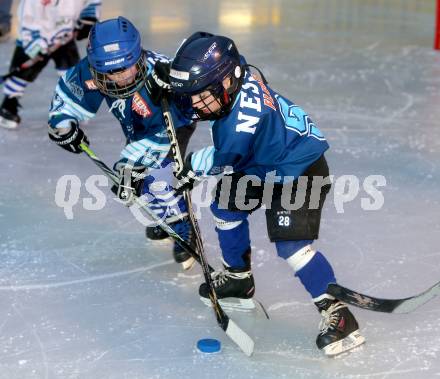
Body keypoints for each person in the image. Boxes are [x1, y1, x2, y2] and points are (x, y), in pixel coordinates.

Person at [167, 31, 365, 356]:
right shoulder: (240, 73)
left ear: (227, 83)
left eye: (202, 96)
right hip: (266, 162)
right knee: (226, 203)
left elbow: (221, 158)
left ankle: (339, 316)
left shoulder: (238, 124)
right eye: (192, 95)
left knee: (292, 246)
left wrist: (189, 168)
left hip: (300, 169)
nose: (195, 104)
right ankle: (238, 279)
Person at [47, 17, 196, 270]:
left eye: (125, 67)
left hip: (171, 124)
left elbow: (185, 113)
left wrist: (132, 167)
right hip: (136, 126)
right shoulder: (93, 70)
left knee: (156, 177)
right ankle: (163, 217)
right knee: (136, 179)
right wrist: (63, 125)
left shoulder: (161, 75)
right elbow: (68, 97)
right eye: (110, 72)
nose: (119, 77)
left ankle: (182, 226)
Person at [0, 0, 101, 129]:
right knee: (21, 75)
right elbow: (27, 24)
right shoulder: (31, 3)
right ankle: (9, 106)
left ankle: (72, 107)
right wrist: (37, 47)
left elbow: (91, 2)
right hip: (35, 40)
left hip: (64, 38)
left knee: (72, 73)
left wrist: (88, 18)